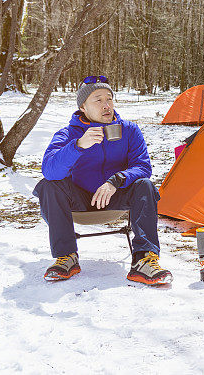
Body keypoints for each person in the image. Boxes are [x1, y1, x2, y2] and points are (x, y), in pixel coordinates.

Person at [33, 75, 172, 286]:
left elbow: (143, 167)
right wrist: (78, 145)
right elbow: (50, 170)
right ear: (83, 107)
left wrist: (116, 180)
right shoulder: (68, 134)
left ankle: (144, 259)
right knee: (49, 185)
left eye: (109, 98)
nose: (106, 105)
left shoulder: (129, 131)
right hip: (79, 199)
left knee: (145, 185)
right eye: (98, 100)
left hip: (115, 197)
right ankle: (67, 257)